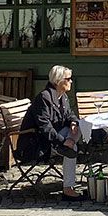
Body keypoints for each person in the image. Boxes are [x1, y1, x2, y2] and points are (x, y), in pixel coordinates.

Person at [19, 65, 84, 200]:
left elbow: (69, 114)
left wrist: (73, 122)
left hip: (56, 137)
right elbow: (45, 127)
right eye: (68, 79)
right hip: (39, 143)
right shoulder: (44, 98)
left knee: (80, 127)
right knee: (72, 149)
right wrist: (62, 141)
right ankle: (68, 189)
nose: (71, 81)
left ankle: (68, 146)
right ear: (58, 81)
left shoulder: (63, 96)